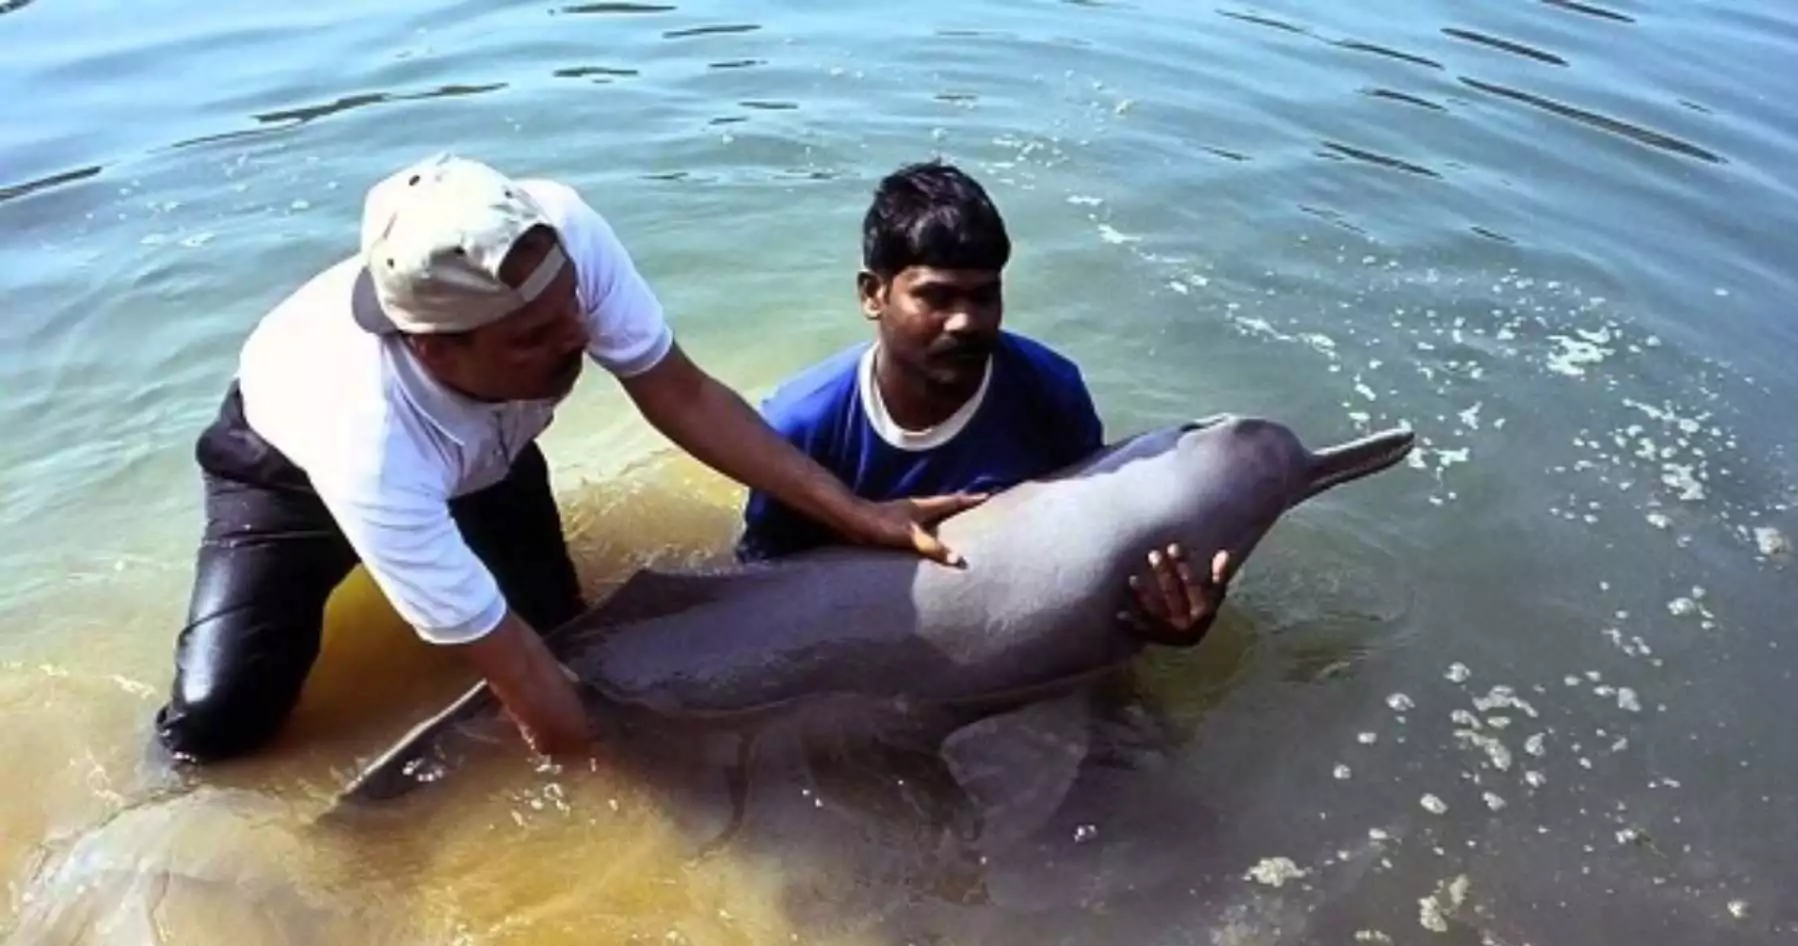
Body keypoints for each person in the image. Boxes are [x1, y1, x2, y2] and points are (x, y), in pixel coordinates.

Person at [154, 152, 982, 765]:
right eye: (538, 337)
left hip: (491, 448)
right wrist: (614, 803)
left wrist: (859, 512)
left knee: (571, 639)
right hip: (284, 475)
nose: (579, 339)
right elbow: (515, 675)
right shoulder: (365, 438)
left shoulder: (564, 234)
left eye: (571, 308)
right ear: (437, 351)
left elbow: (682, 395)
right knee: (217, 724)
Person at [736, 160, 1231, 645]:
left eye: (983, 296)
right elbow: (759, 594)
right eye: (936, 297)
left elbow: (1092, 555)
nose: (965, 322)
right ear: (873, 295)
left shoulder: (1049, 392)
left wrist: (1167, 620)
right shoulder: (802, 425)